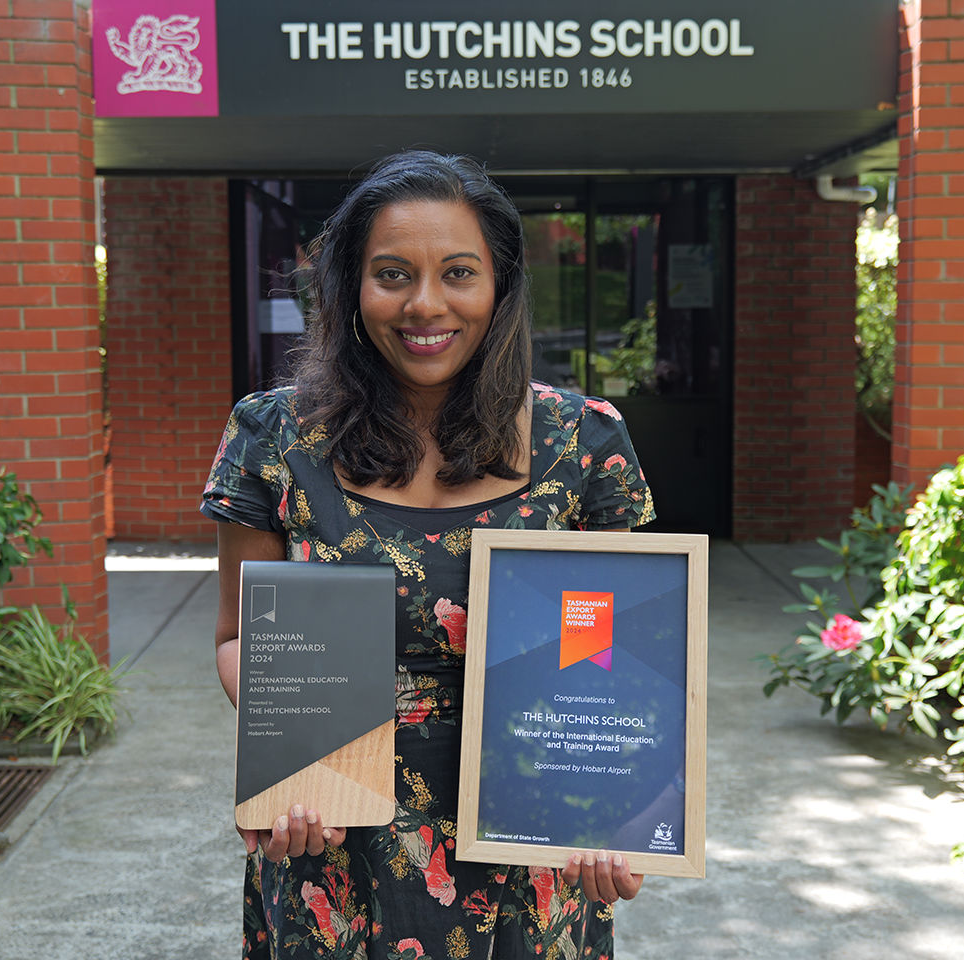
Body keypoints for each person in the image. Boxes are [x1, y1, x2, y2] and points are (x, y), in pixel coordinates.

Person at [202, 150, 656, 960]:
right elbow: (237, 639)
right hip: (334, 843)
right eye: (391, 274)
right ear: (350, 287)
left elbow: (609, 654)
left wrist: (609, 806)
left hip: (527, 845)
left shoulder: (581, 442)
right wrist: (293, 749)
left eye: (458, 272)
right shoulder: (272, 437)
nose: (425, 304)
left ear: (501, 285)